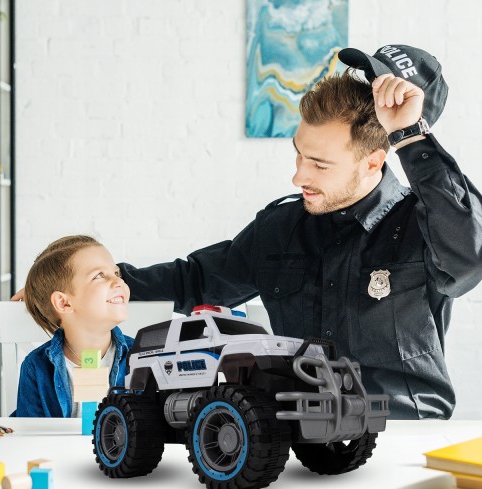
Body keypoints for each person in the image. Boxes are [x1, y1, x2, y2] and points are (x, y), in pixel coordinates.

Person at [113, 45, 482, 420]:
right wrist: (102, 281)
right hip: (301, 434)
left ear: (373, 162)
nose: (298, 176)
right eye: (299, 155)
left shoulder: (425, 226)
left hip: (403, 432)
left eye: (319, 165)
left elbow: (470, 258)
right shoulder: (279, 228)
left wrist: (412, 137)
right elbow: (195, 281)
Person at [15, 235, 132, 417]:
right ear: (64, 303)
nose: (119, 282)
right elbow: (30, 430)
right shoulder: (35, 368)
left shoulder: (143, 357)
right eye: (99, 275)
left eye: (117, 273)